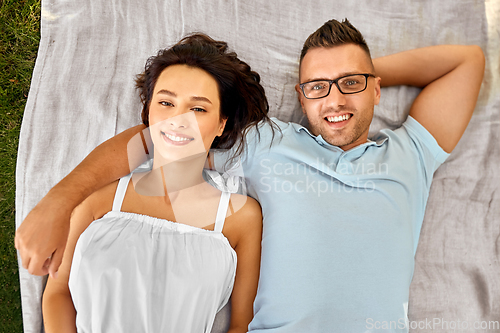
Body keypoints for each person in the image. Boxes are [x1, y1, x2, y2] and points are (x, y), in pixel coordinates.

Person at [17, 19, 484, 332]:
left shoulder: (411, 155)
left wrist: (354, 71)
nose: (335, 100)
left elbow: (467, 61)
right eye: (318, 88)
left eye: (352, 85)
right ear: (301, 97)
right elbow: (154, 136)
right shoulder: (268, 141)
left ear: (376, 89)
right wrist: (59, 201)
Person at [41, 33, 267, 333]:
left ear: (221, 124)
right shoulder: (98, 200)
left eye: (198, 108)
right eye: (166, 102)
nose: (178, 119)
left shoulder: (241, 217)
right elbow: (58, 293)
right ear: (148, 111)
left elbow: (241, 324)